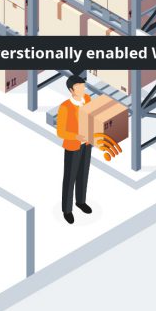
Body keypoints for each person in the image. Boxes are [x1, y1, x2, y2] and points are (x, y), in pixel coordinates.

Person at [55, 73, 96, 223]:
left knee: (83, 174)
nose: (82, 89)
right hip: (73, 147)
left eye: (83, 86)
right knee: (70, 178)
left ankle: (81, 202)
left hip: (87, 144)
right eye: (79, 87)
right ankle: (67, 210)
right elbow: (60, 132)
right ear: (71, 90)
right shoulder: (65, 107)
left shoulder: (88, 99)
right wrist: (76, 136)